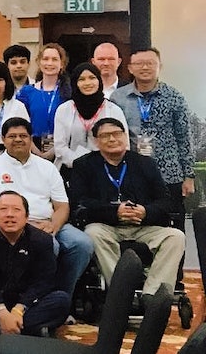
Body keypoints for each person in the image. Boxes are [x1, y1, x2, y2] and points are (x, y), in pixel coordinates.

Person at [69, 116, 186, 296]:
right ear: (95, 141)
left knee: (175, 236)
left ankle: (153, 296)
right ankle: (122, 293)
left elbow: (165, 201)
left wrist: (145, 211)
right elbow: (80, 202)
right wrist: (115, 212)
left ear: (125, 136)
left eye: (117, 133)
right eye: (105, 135)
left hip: (143, 225)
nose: (112, 139)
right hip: (106, 226)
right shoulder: (84, 165)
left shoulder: (145, 163)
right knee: (92, 233)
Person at [0, 117, 93, 298]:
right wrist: (29, 226)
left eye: (23, 135)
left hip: (49, 222)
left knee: (82, 243)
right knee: (49, 245)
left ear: (31, 138)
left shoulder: (47, 167)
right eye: (12, 136)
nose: (18, 140)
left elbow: (62, 206)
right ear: (3, 139)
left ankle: (63, 297)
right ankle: (38, 299)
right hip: (11, 227)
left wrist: (53, 226)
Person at [0, 191, 71, 336]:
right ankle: (17, 327)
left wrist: (19, 309)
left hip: (26, 304)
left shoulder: (42, 240)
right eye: (3, 209)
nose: (10, 214)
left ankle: (4, 328)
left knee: (61, 300)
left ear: (27, 216)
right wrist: (2, 311)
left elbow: (44, 281)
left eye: (16, 210)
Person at [114, 47, 198, 214]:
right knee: (137, 222)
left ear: (160, 66)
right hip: (131, 172)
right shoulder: (118, 98)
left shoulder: (174, 97)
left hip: (169, 173)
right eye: (139, 63)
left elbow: (184, 137)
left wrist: (188, 175)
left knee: (173, 223)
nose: (145, 67)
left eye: (150, 63)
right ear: (130, 68)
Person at [53, 63, 126, 175]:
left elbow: (122, 144)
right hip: (71, 170)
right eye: (81, 79)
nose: (87, 83)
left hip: (105, 171)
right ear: (75, 83)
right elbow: (60, 147)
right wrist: (80, 164)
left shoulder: (113, 109)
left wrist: (97, 165)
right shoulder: (64, 109)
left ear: (99, 81)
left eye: (92, 78)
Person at [16, 43, 71, 160]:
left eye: (54, 59)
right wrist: (33, 148)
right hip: (31, 147)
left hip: (61, 148)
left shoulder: (69, 93)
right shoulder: (26, 92)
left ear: (62, 64)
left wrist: (54, 150)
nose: (49, 63)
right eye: (45, 59)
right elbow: (20, 123)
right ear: (39, 62)